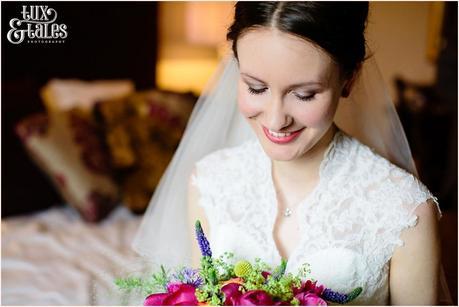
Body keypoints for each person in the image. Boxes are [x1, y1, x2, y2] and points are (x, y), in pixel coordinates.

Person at [133, 2, 452, 305]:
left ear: (349, 78)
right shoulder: (209, 181)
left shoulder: (404, 212)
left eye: (304, 94)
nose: (275, 120)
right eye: (256, 88)